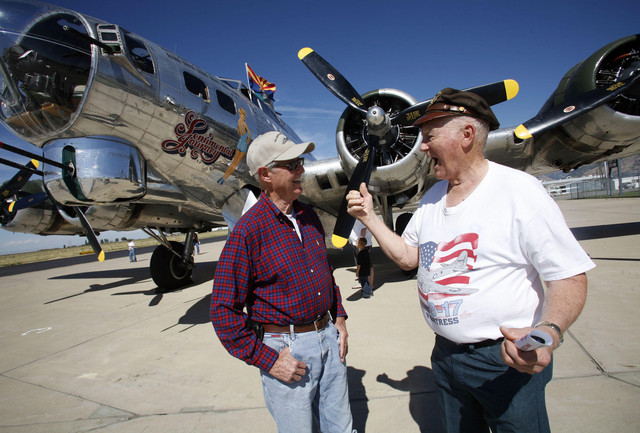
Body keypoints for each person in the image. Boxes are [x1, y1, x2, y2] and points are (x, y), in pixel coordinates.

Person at [345, 88, 595, 432]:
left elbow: (568, 276)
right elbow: (407, 258)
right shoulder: (433, 198)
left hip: (505, 361)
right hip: (446, 357)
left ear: (466, 135)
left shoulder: (519, 192)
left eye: (430, 136)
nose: (422, 146)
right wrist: (370, 218)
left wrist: (547, 332)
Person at [210, 131, 353, 433]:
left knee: (342, 428)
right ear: (266, 175)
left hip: (327, 336)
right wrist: (268, 359)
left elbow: (324, 274)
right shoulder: (247, 232)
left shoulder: (308, 215)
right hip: (287, 351)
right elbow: (223, 311)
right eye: (292, 164)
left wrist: (338, 317)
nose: (301, 169)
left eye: (300, 162)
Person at [348, 220, 373, 289]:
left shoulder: (360, 214)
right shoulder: (355, 215)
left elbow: (363, 229)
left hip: (362, 245)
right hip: (357, 244)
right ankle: (365, 283)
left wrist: (361, 245)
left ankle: (367, 284)